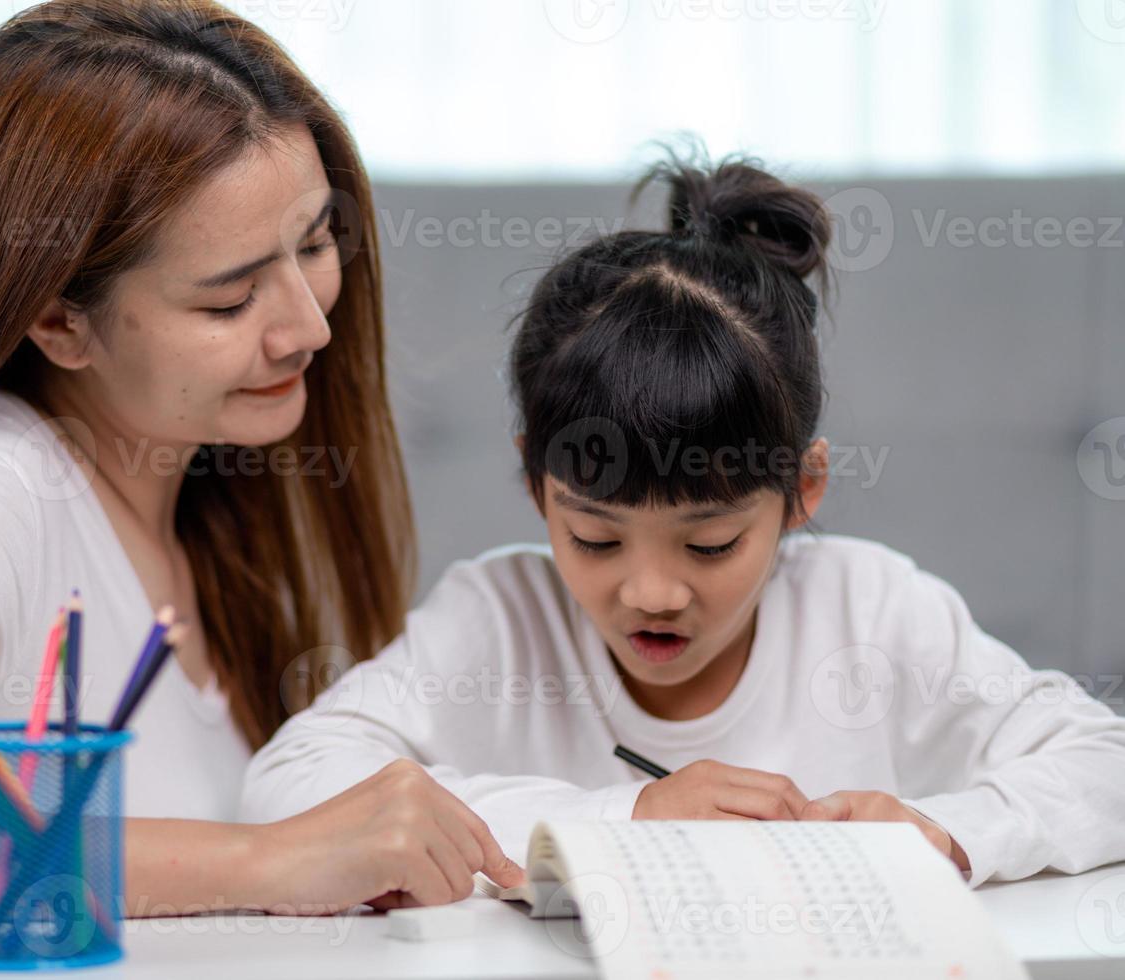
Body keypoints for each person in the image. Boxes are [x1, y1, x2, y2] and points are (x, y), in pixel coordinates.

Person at [0, 0, 522, 923]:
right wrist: (266, 861)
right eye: (231, 299)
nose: (309, 327)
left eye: (317, 244)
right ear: (58, 320)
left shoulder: (206, 485)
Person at [241, 156, 1125, 887]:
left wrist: (948, 831)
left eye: (711, 543)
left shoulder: (875, 612)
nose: (652, 591)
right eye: (595, 538)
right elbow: (289, 783)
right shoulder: (498, 619)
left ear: (803, 490)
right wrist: (624, 820)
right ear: (533, 481)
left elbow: (1105, 765)